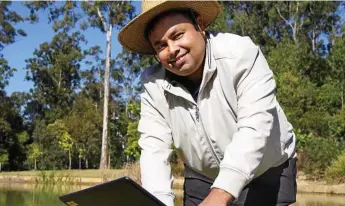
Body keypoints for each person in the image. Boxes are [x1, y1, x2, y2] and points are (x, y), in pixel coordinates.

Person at [118, 1, 297, 206]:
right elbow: (154, 148)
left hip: (268, 167)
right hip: (203, 174)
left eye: (177, 35)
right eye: (161, 45)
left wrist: (221, 194)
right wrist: (158, 202)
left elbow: (255, 128)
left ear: (200, 25)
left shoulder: (241, 54)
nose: (173, 50)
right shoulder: (153, 85)